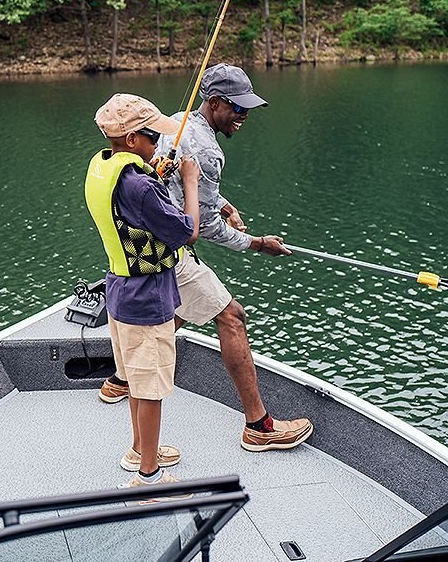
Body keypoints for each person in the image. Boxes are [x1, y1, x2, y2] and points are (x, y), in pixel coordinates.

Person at [99, 64, 313, 453]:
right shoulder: (208, 153)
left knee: (174, 311)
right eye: (238, 108)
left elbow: (172, 183)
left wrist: (224, 204)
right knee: (231, 316)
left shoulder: (177, 123)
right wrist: (257, 243)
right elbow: (204, 226)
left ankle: (120, 380)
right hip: (172, 251)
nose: (245, 116)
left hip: (146, 247)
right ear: (214, 103)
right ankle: (259, 426)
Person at [86, 93, 201, 490]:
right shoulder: (140, 185)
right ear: (133, 139)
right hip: (147, 296)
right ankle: (148, 476)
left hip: (119, 290)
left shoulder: (106, 167)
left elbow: (134, 202)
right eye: (153, 136)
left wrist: (152, 173)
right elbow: (186, 230)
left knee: (135, 379)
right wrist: (188, 182)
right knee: (150, 387)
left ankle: (139, 448)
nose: (158, 143)